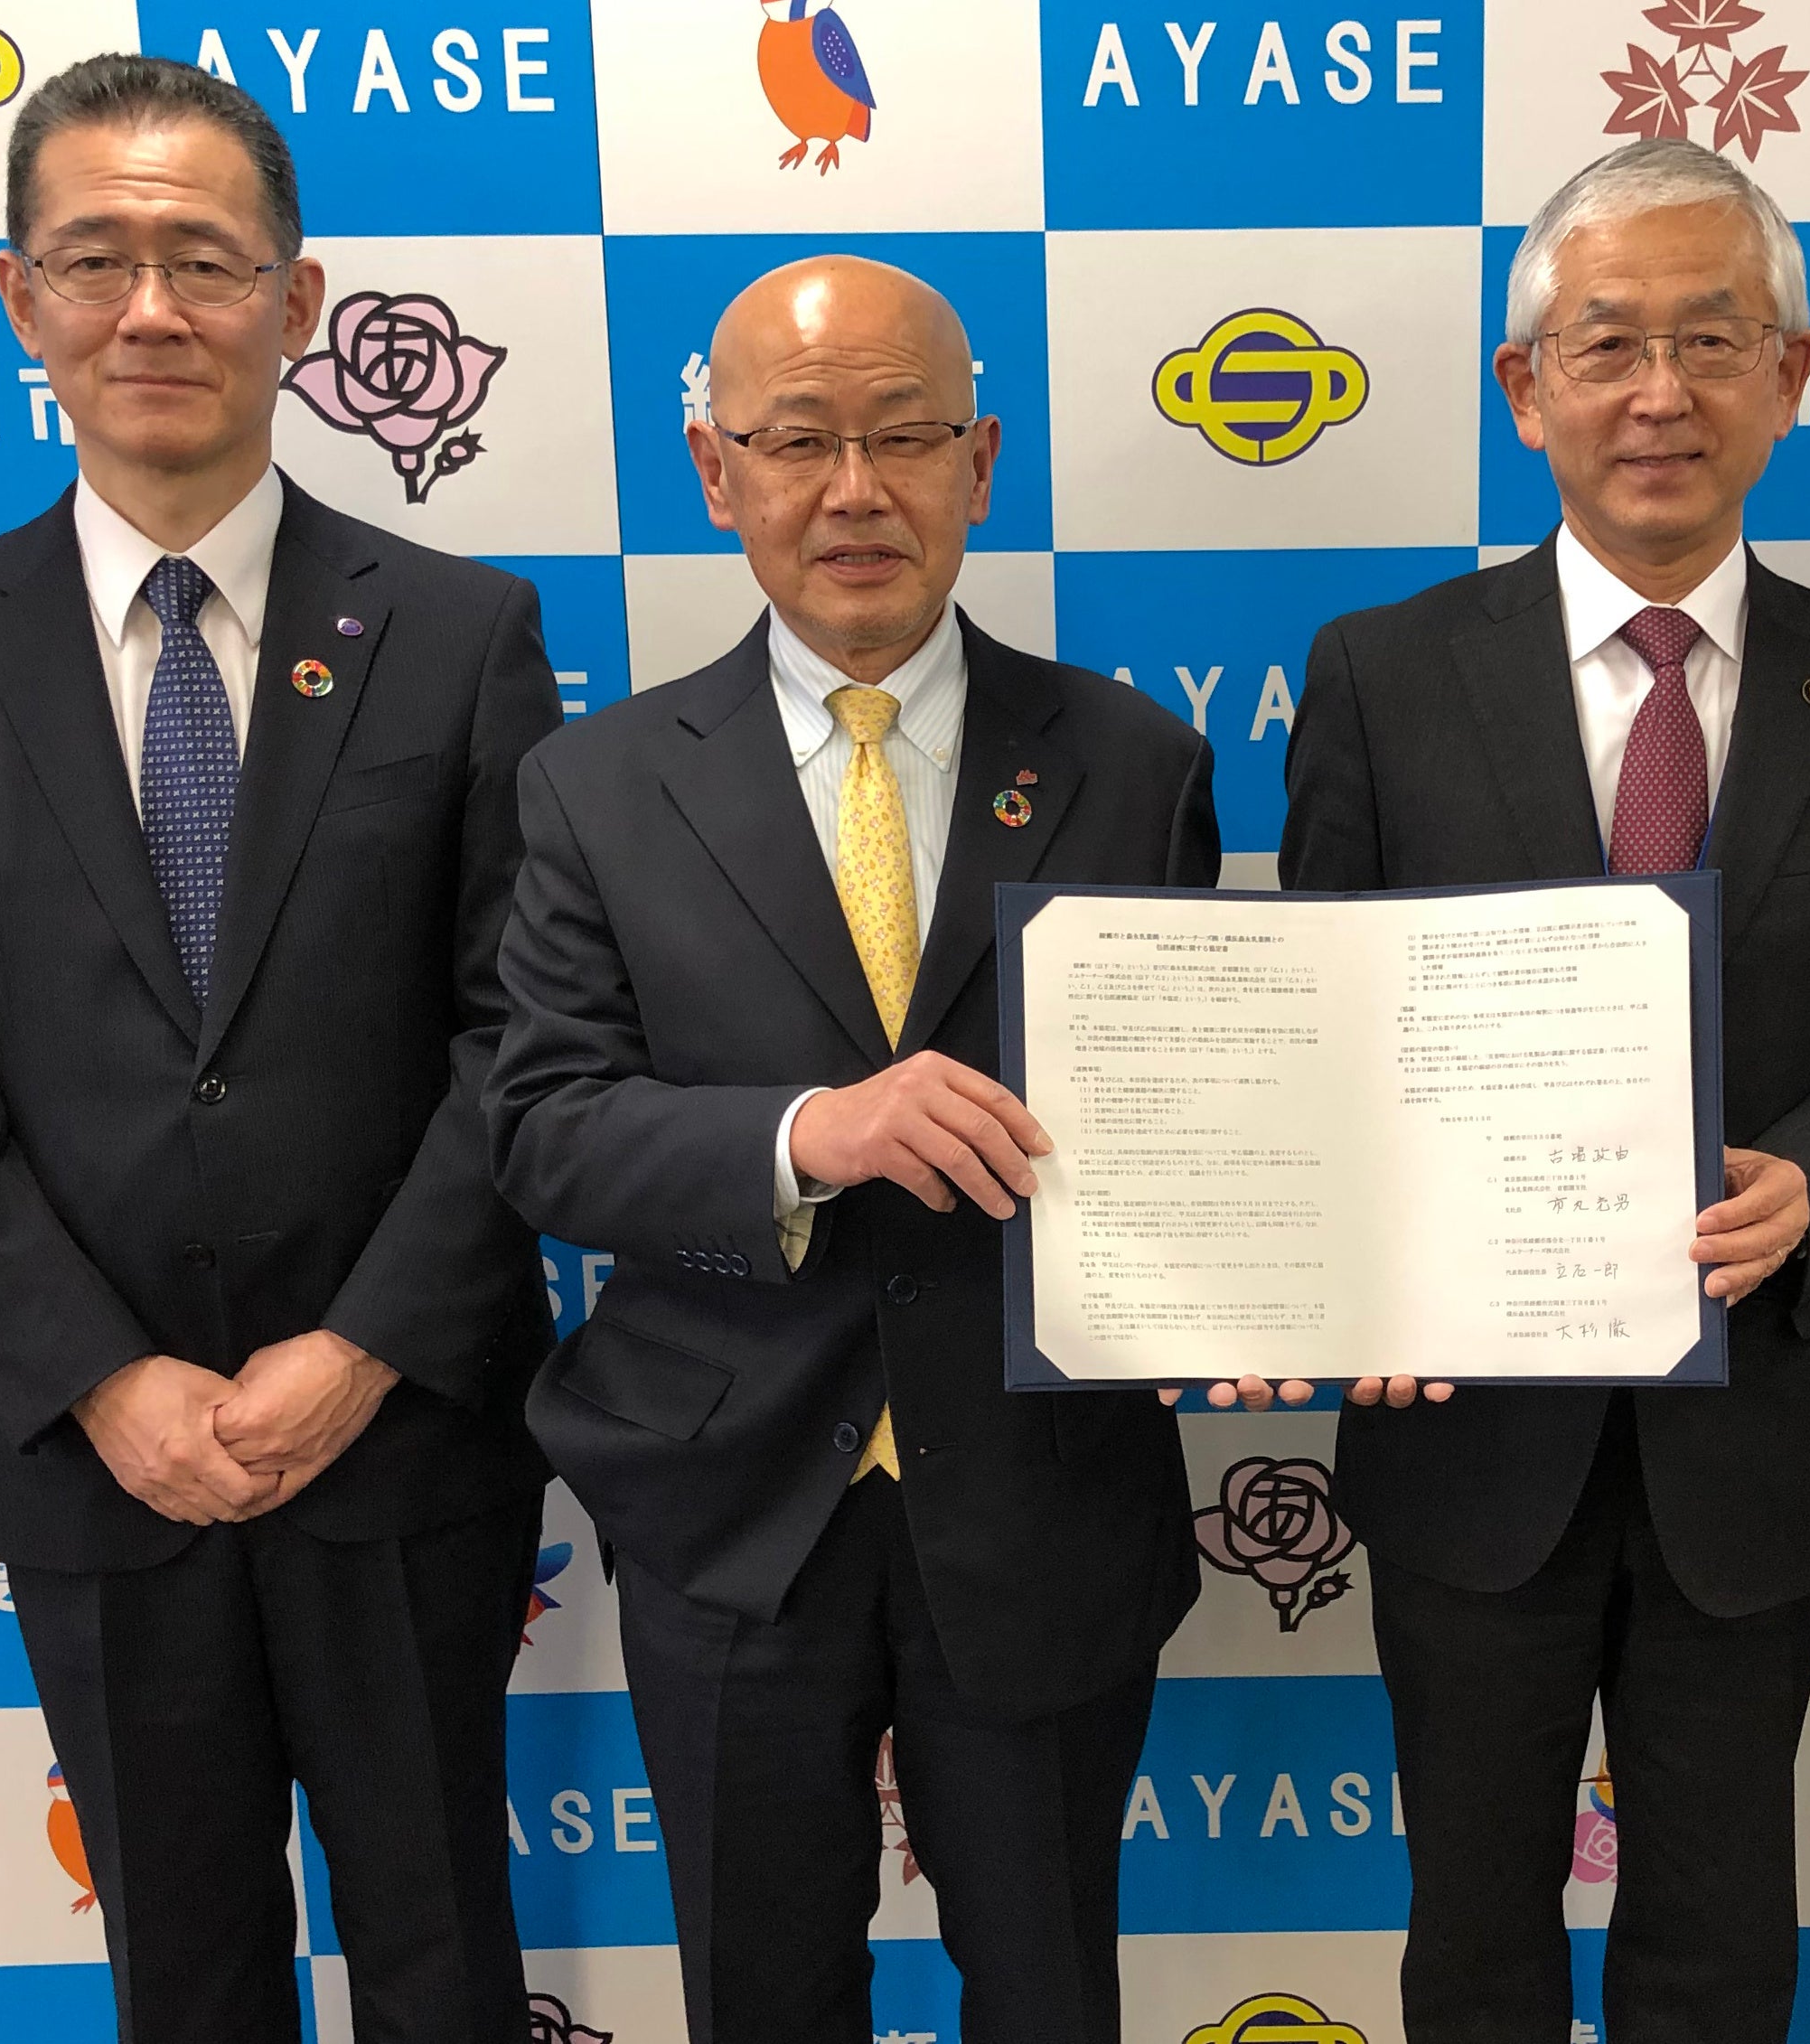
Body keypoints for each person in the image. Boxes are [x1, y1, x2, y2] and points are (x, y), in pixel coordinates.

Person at [0, 54, 562, 2044]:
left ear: (294, 303)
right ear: (19, 299)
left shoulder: (461, 632)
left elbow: (517, 1032)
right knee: (186, 1969)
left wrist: (363, 1348)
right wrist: (104, 1377)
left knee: (442, 1957)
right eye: (96, 258)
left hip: (401, 1436)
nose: (151, 308)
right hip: (97, 1458)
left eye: (205, 260)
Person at [1269, 136, 1810, 2041]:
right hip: (1464, 1434)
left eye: (1710, 338)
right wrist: (1345, 1273)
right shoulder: (1380, 676)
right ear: (1526, 389)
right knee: (1472, 1934)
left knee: (1718, 1935)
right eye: (1604, 344)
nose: (1657, 391)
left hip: (1755, 1429)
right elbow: (1317, 1036)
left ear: (1791, 375)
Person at [484, 256, 1215, 2044]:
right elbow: (546, 1129)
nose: (854, 490)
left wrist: (1261, 1272)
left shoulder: (1136, 762)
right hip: (730, 1504)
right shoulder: (596, 785)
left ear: (982, 460)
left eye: (903, 435)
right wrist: (812, 1134)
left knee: (1053, 1994)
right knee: (761, 1998)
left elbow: (1200, 1111)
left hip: (1041, 1499)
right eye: (797, 440)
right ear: (712, 471)